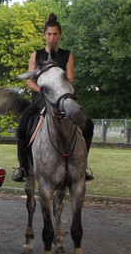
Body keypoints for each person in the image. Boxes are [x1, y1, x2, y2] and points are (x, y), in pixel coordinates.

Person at [12, 13, 94, 182]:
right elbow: (29, 81)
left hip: (62, 100)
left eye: (55, 34)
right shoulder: (36, 55)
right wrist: (43, 91)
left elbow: (70, 80)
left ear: (60, 35)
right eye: (49, 34)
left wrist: (61, 93)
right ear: (44, 35)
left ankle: (82, 165)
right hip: (40, 99)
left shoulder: (67, 55)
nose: (52, 37)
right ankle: (23, 167)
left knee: (89, 124)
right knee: (22, 126)